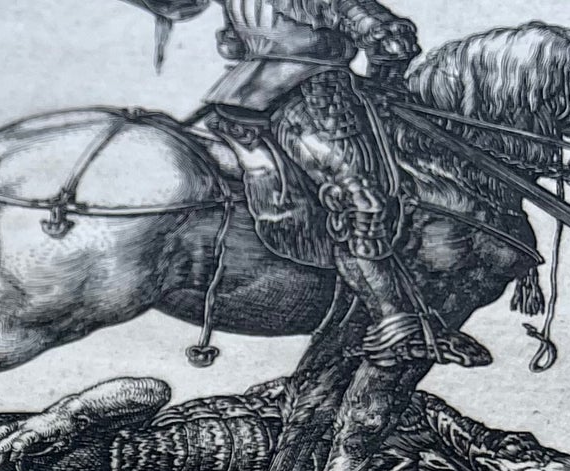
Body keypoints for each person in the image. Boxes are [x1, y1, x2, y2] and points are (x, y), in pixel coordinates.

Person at [126, 0, 492, 366]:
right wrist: (387, 75)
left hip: (250, 92)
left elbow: (231, 42)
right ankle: (394, 320)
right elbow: (387, 37)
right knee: (360, 202)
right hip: (307, 93)